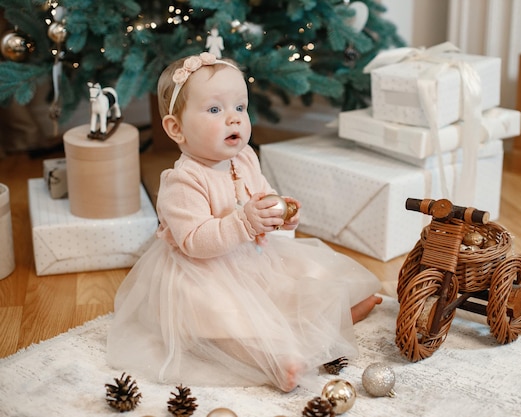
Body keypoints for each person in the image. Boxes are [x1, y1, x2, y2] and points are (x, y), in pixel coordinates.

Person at [106, 52, 383, 392]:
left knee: (306, 282)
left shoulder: (246, 156)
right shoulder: (182, 181)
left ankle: (335, 318)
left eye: (240, 107)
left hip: (252, 258)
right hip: (201, 275)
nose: (234, 119)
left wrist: (280, 215)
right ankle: (273, 361)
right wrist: (244, 223)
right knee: (230, 322)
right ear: (176, 128)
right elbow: (195, 240)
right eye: (214, 110)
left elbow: (262, 198)